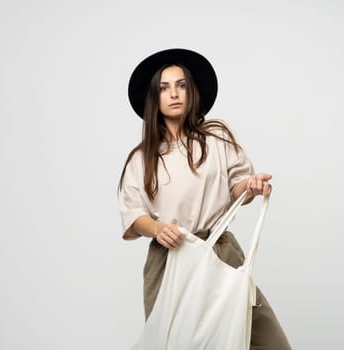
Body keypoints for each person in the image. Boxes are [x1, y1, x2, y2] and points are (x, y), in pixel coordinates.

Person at [118, 48, 291, 349]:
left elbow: (237, 186)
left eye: (182, 85)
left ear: (192, 91)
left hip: (220, 251)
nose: (175, 94)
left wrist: (249, 186)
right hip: (171, 260)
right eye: (164, 87)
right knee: (176, 343)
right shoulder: (142, 158)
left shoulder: (217, 138)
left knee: (267, 341)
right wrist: (159, 229)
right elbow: (134, 214)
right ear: (153, 99)